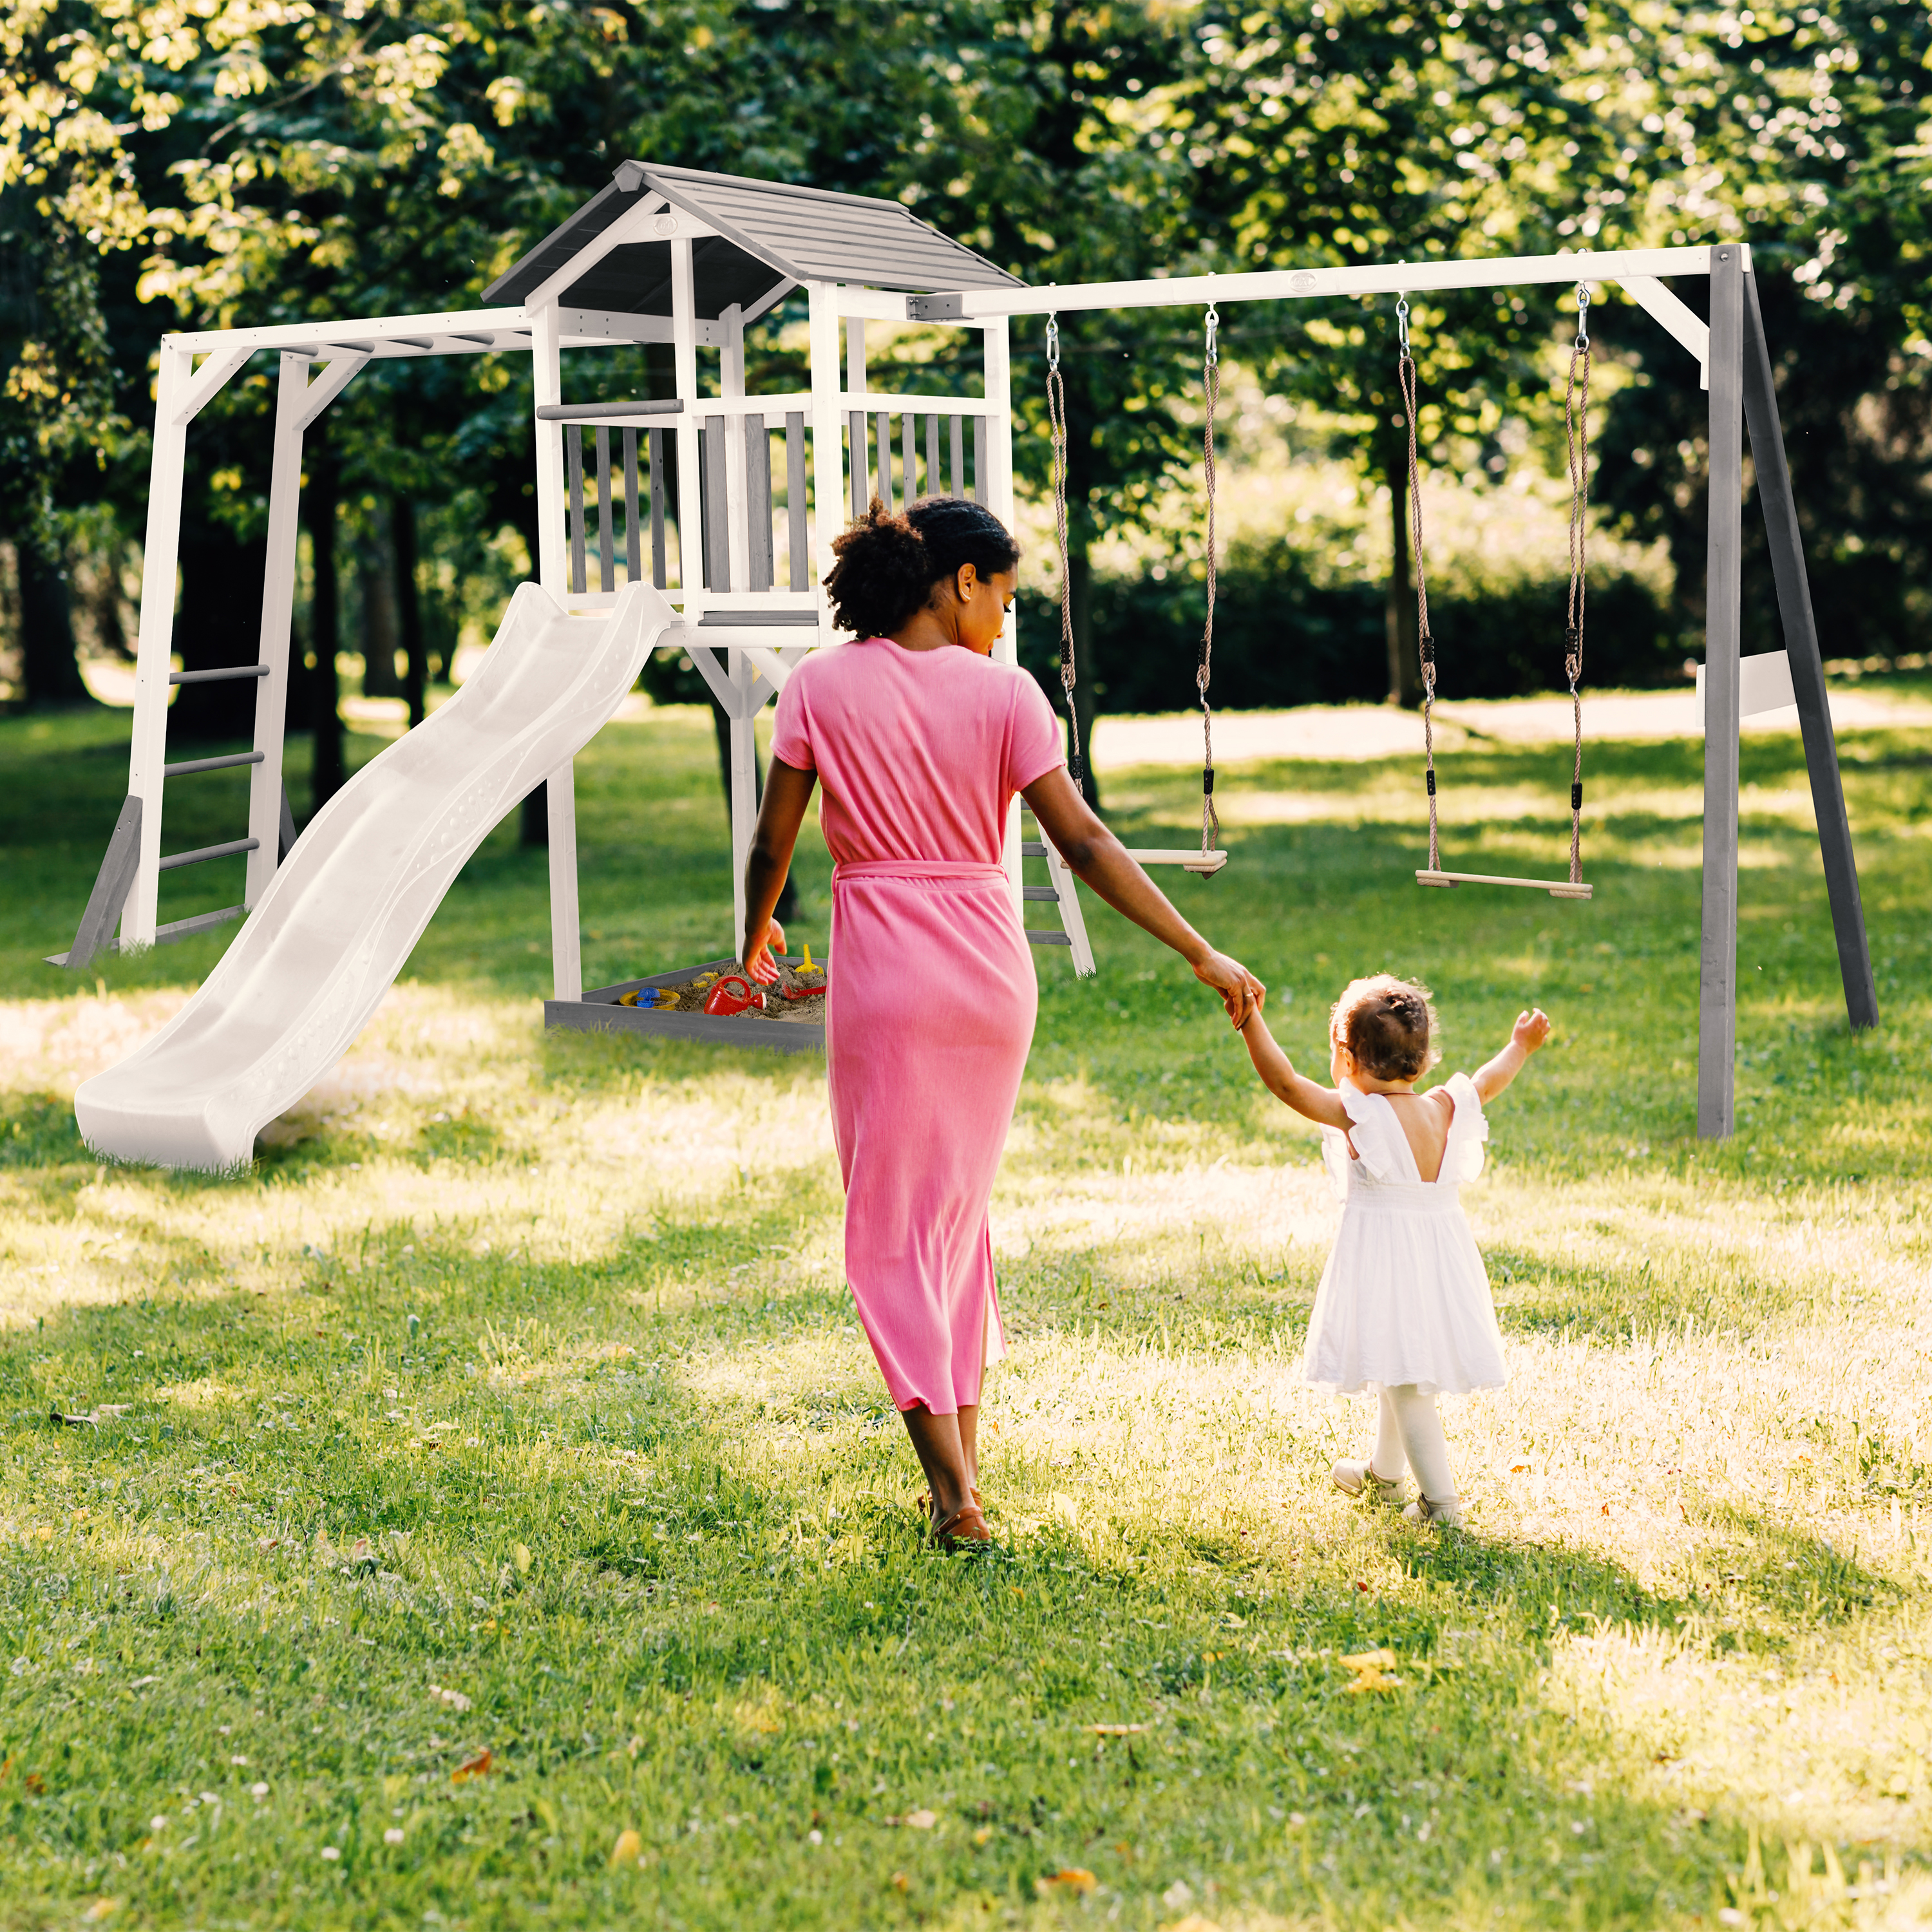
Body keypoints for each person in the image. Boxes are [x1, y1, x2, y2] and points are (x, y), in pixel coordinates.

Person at [741, 497, 1265, 1548]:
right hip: (988, 975)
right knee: (951, 1226)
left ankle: (953, 1496)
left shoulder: (817, 686)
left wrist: (751, 936)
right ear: (960, 580)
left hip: (887, 974)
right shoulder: (1008, 696)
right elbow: (1084, 844)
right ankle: (963, 1475)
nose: (1006, 620)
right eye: (1005, 597)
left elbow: (773, 842)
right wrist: (1197, 948)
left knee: (890, 1233)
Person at [1234, 974, 1551, 1527]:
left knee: (1406, 1384)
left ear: (1347, 1058)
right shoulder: (1444, 1107)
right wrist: (1519, 1046)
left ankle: (1441, 1505)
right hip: (1438, 1260)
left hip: (1389, 1263)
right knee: (1394, 1362)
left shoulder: (1361, 1116)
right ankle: (1384, 1475)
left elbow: (1285, 1084)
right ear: (1424, 1061)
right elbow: (1488, 1079)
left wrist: (1249, 1019)